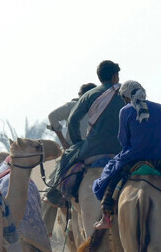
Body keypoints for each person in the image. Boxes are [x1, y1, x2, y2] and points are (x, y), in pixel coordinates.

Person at [91, 80, 161, 229]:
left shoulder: (125, 111)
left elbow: (123, 140)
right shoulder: (160, 108)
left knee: (111, 175)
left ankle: (106, 215)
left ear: (127, 97)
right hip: (159, 160)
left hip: (132, 159)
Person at [45, 60, 126, 207]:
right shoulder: (125, 94)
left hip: (92, 149)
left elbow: (73, 119)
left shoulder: (89, 96)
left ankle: (55, 193)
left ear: (100, 77)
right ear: (115, 77)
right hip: (121, 150)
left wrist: (77, 143)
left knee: (66, 158)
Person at [48, 82, 97, 147]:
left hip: (73, 148)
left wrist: (63, 141)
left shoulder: (72, 106)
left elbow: (52, 116)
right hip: (94, 149)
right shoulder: (99, 108)